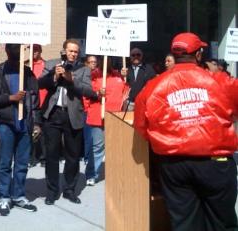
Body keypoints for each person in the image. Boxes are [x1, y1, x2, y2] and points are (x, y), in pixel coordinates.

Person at [134, 32, 238, 231]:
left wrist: (163, 142)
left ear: (174, 53)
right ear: (198, 54)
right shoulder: (219, 81)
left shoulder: (153, 86)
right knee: (222, 223)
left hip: (174, 165)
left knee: (184, 224)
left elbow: (141, 125)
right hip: (215, 163)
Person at [37, 39, 98, 205]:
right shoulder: (52, 63)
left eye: (76, 51)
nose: (73, 54)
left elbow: (88, 91)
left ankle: (69, 190)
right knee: (52, 155)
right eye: (70, 51)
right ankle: (52, 191)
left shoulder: (84, 69)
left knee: (73, 155)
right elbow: (40, 83)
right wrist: (54, 76)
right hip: (53, 114)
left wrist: (72, 80)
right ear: (64, 50)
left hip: (73, 115)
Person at [0, 43, 39, 216]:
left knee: (22, 163)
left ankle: (18, 195)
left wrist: (36, 122)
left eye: (20, 49)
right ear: (7, 50)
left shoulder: (28, 72)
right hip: (6, 123)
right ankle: (5, 197)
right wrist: (11, 97)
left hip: (25, 123)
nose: (18, 52)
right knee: (5, 162)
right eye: (14, 49)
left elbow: (36, 99)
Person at [83, 57, 128, 186]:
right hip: (98, 116)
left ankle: (115, 173)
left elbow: (126, 92)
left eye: (109, 60)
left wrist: (126, 78)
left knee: (115, 148)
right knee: (97, 147)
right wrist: (96, 96)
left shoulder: (119, 75)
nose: (106, 62)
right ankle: (92, 174)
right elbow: (86, 94)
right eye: (103, 60)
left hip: (116, 116)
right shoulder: (93, 76)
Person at [27, 44, 47, 167]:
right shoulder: (25, 65)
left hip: (44, 102)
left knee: (44, 132)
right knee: (30, 131)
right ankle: (31, 157)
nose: (33, 52)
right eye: (31, 49)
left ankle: (44, 157)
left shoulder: (46, 64)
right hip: (30, 103)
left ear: (40, 51)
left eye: (36, 49)